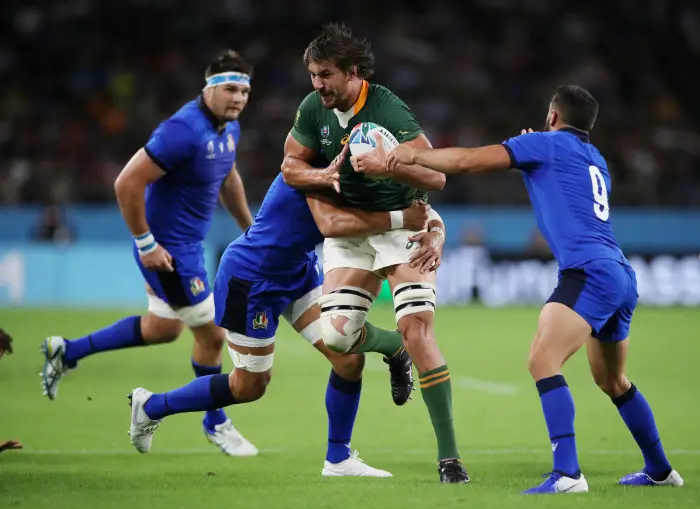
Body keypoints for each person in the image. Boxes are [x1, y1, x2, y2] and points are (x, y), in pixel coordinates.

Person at [386, 84, 683, 493]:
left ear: (553, 116)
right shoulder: (595, 159)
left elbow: (470, 161)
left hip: (588, 272)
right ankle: (661, 471)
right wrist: (532, 154)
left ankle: (567, 474)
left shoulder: (545, 145)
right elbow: (560, 187)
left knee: (543, 359)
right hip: (619, 272)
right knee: (614, 382)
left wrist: (413, 154)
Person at [127, 171, 440, 477]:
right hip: (252, 281)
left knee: (347, 357)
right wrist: (400, 219)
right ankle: (152, 406)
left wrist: (431, 227)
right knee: (249, 386)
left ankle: (338, 458)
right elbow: (333, 224)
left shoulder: (345, 167)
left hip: (298, 272)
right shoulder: (311, 171)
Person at [41, 50, 258, 457]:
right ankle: (215, 421)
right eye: (230, 88)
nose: (238, 98)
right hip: (169, 251)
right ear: (207, 87)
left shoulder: (230, 128)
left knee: (163, 328)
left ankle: (66, 351)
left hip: (188, 247)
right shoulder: (182, 130)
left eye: (244, 90)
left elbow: (228, 176)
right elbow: (127, 182)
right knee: (212, 335)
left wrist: (252, 229)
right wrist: (146, 243)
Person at [280, 23, 468, 484]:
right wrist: (323, 177)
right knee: (340, 338)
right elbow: (289, 166)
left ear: (353, 72)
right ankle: (393, 350)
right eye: (312, 75)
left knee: (418, 331)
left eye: (326, 75)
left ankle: (449, 459)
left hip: (400, 224)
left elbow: (437, 178)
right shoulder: (311, 109)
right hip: (350, 234)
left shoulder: (387, 109)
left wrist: (390, 163)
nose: (318, 84)